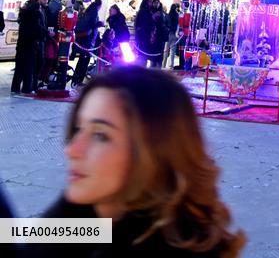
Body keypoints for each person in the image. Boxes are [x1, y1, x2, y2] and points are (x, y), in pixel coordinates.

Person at [34, 67, 245, 256]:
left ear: (155, 152)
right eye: (79, 129)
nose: (72, 149)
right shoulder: (85, 217)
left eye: (100, 135)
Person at [11, 0, 48, 94]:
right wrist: (45, 33)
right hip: (30, 47)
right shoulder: (33, 19)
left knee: (19, 68)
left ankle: (15, 88)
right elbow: (37, 32)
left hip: (21, 46)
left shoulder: (24, 17)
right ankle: (27, 88)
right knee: (28, 68)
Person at [72, 0, 104, 86]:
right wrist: (100, 24)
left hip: (83, 38)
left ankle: (76, 79)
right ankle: (78, 80)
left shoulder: (88, 10)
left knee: (82, 59)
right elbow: (92, 25)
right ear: (100, 6)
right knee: (84, 60)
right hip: (87, 40)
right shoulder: (94, 11)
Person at [134, 0, 156, 65]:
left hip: (144, 35)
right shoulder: (144, 11)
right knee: (143, 54)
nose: (151, 3)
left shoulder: (146, 11)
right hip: (143, 36)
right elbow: (145, 23)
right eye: (150, 2)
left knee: (143, 54)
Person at [163, 4, 181, 69]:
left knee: (166, 50)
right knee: (172, 51)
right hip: (175, 34)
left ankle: (163, 64)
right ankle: (171, 65)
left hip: (168, 34)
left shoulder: (168, 15)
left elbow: (165, 24)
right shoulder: (177, 16)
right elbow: (179, 25)